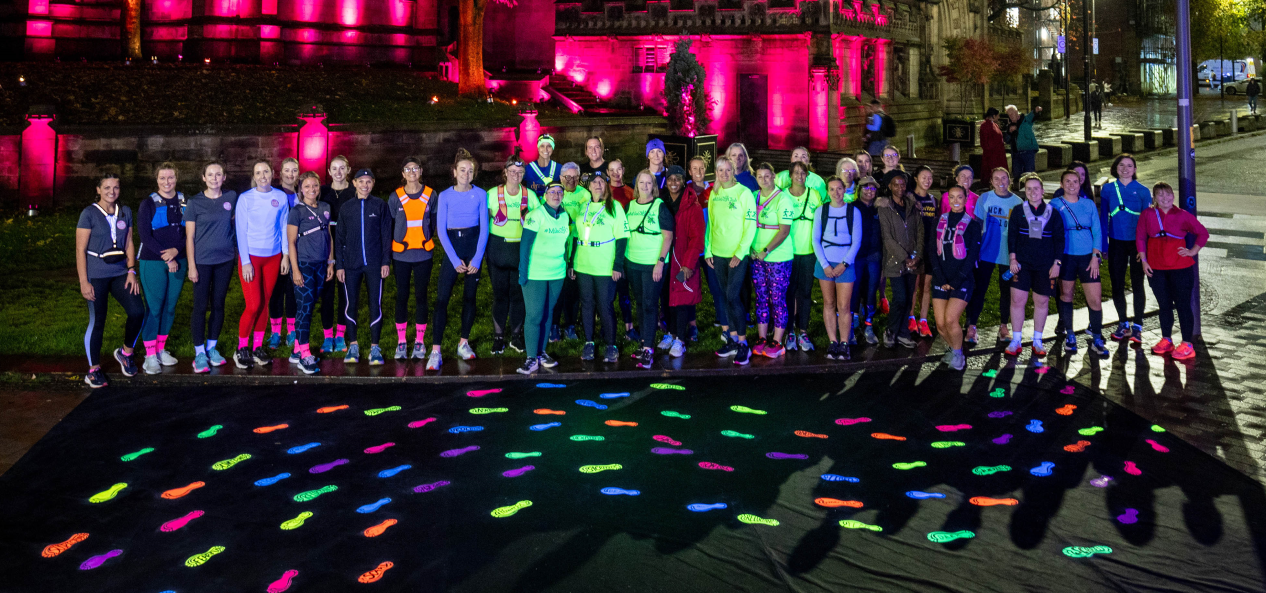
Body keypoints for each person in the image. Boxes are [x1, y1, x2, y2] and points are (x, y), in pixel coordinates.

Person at [78, 172, 145, 387]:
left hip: (119, 273)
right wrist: (83, 281)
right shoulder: (89, 213)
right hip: (96, 274)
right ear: (98, 189)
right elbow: (80, 250)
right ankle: (93, 369)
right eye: (106, 188)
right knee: (98, 320)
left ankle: (126, 353)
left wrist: (131, 271)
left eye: (115, 188)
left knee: (137, 311)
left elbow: (129, 242)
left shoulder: (125, 211)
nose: (111, 192)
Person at [428, 149, 490, 371]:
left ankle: (463, 342)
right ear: (454, 172)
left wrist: (477, 258)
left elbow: (485, 228)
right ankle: (435, 350)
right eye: (462, 170)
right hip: (453, 248)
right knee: (442, 299)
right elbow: (441, 231)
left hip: (473, 247)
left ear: (474, 174)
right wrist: (454, 260)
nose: (466, 174)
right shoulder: (444, 195)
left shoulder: (481, 194)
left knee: (470, 298)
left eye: (470, 170)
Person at [1137, 182, 1209, 361]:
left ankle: (1187, 344)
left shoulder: (1183, 215)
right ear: (1154, 198)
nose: (1165, 198)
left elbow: (1203, 233)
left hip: (1180, 268)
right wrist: (1144, 261)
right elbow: (1140, 237)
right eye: (1160, 195)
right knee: (1164, 305)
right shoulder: (1147, 214)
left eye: (1168, 194)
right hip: (1156, 268)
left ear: (1173, 196)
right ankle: (1166, 339)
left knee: (1183, 305)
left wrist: (1192, 251)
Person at [234, 159, 290, 369]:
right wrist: (246, 260)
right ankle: (241, 347)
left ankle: (257, 346)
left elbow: (284, 227)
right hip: (252, 258)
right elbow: (240, 230)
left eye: (266, 171)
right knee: (253, 304)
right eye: (258, 173)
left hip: (273, 257)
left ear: (272, 173)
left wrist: (285, 255)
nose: (263, 176)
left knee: (264, 303)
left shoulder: (280, 197)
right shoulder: (246, 199)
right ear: (254, 176)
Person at [570, 171, 628, 363]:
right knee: (587, 304)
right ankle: (589, 342)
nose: (597, 185)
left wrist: (617, 265)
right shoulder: (583, 207)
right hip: (583, 264)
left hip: (605, 265)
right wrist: (572, 262)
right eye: (594, 182)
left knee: (605, 304)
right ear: (588, 186)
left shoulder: (615, 207)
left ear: (606, 185)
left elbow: (622, 237)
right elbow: (577, 236)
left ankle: (611, 345)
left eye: (601, 182)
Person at [334, 168, 391, 365]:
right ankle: (353, 345)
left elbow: (386, 236)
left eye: (369, 181)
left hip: (375, 264)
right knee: (351, 304)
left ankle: (375, 347)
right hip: (351, 265)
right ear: (354, 183)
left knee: (376, 303)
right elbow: (339, 237)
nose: (365, 185)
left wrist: (385, 261)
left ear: (373, 184)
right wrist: (339, 265)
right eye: (361, 181)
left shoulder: (380, 205)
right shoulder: (346, 208)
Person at [185, 162, 237, 373]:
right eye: (210, 175)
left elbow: (236, 223)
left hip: (225, 260)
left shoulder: (231, 197)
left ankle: (212, 348)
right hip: (202, 262)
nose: (215, 178)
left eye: (218, 174)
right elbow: (189, 237)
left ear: (224, 177)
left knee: (218, 304)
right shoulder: (194, 202)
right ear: (203, 178)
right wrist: (191, 265)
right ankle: (199, 353)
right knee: (200, 306)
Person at [1051, 169, 1109, 357]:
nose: (1071, 185)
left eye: (1075, 181)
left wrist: (1095, 256)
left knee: (1095, 300)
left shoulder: (1089, 204)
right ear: (1061, 184)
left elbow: (1097, 231)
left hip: (1087, 258)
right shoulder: (1054, 204)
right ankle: (1070, 335)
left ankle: (1097, 337)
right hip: (1066, 257)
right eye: (1067, 181)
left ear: (1080, 184)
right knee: (1066, 295)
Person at [135, 162, 187, 374]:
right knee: (154, 308)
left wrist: (177, 250)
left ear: (176, 178)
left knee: (170, 307)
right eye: (163, 178)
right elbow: (145, 236)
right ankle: (149, 355)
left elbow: (190, 232)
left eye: (171, 178)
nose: (167, 182)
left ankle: (161, 349)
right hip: (153, 260)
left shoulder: (185, 201)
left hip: (179, 260)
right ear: (156, 179)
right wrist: (167, 256)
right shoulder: (148, 204)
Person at [705, 156, 758, 365]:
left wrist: (740, 252)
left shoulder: (744, 193)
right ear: (716, 173)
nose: (724, 174)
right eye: (720, 170)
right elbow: (711, 224)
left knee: (733, 296)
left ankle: (744, 344)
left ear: (734, 171)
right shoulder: (715, 194)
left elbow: (750, 224)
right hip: (717, 254)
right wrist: (708, 250)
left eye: (728, 170)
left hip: (737, 255)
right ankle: (734, 339)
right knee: (725, 296)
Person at [1006, 173, 1064, 358]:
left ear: (1043, 190)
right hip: (1022, 265)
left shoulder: (1053, 213)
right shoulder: (1017, 211)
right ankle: (1016, 340)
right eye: (1028, 189)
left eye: (1036, 188)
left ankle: (1037, 341)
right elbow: (1012, 236)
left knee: (1042, 302)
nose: (1032, 192)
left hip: (1045, 266)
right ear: (1025, 191)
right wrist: (1013, 259)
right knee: (1017, 301)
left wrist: (1057, 263)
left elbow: (1059, 239)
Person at [487, 152, 539, 355]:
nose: (516, 175)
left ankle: (516, 337)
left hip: (520, 249)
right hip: (498, 249)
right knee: (500, 295)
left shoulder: (530, 196)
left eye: (520, 172)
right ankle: (498, 337)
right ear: (505, 173)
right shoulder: (492, 194)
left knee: (518, 295)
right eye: (512, 172)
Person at [517, 181, 572, 374]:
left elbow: (566, 244)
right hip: (536, 273)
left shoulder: (565, 216)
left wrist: (567, 263)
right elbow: (525, 246)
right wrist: (523, 273)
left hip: (557, 273)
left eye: (559, 192)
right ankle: (531, 357)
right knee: (534, 315)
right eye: (552, 192)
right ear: (545, 195)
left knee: (548, 313)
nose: (556, 195)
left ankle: (541, 352)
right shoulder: (535, 216)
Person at [387, 156, 437, 361]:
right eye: (407, 169)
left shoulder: (431, 194)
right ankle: (401, 341)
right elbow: (390, 225)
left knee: (421, 297)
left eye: (415, 168)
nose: (412, 172)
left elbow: (433, 223)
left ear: (421, 171)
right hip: (401, 256)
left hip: (423, 254)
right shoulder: (395, 197)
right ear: (402, 174)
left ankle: (419, 340)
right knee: (402, 296)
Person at [964, 167, 1022, 346]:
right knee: (979, 290)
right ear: (991, 181)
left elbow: (1021, 230)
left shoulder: (1018, 202)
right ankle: (972, 326)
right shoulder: (985, 198)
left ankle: (1004, 326)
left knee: (1006, 291)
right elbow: (978, 225)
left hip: (1008, 255)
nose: (1000, 182)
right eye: (996, 178)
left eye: (1004, 178)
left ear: (1010, 180)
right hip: (987, 252)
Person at [625, 170, 676, 369]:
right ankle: (644, 343)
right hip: (633, 262)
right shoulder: (629, 205)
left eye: (648, 183)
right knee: (640, 302)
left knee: (649, 304)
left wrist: (660, 262)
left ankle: (648, 348)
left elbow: (668, 237)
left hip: (652, 264)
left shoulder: (660, 207)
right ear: (636, 185)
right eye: (641, 182)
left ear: (653, 186)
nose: (645, 186)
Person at [929, 185, 982, 370]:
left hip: (962, 279)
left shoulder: (973, 225)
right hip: (941, 279)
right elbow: (931, 251)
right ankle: (953, 348)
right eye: (951, 197)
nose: (955, 201)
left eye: (959, 197)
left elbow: (972, 256)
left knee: (951, 320)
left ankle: (958, 354)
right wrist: (941, 277)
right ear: (947, 199)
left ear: (966, 198)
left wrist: (956, 280)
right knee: (941, 324)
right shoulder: (938, 221)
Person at [286, 171, 334, 374]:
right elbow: (291, 242)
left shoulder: (325, 207)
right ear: (301, 190)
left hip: (321, 265)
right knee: (304, 308)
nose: (312, 189)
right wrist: (295, 270)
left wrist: (331, 262)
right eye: (307, 186)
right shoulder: (296, 211)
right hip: (304, 265)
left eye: (315, 186)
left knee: (310, 305)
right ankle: (305, 354)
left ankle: (297, 348)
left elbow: (329, 235)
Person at [1099, 154, 1149, 344]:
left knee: (1138, 284)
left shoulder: (1143, 191)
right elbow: (1104, 219)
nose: (1125, 169)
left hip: (1137, 244)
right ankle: (1123, 323)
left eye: (1129, 166)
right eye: (1122, 165)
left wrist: (1144, 248)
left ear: (1135, 169)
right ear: (1115, 167)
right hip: (1116, 242)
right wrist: (1104, 245)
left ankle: (1137, 326)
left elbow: (1147, 222)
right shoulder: (1108, 189)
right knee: (1117, 284)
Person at [747, 163, 794, 358]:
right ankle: (762, 337)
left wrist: (766, 250)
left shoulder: (783, 199)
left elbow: (784, 231)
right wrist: (751, 248)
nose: (764, 179)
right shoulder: (753, 196)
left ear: (774, 177)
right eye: (760, 176)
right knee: (761, 297)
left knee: (777, 298)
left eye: (767, 176)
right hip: (756, 256)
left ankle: (777, 340)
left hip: (778, 257)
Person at [814, 176, 863, 361]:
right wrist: (825, 265)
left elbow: (856, 240)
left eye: (840, 189)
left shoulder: (853, 212)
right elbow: (815, 240)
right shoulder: (821, 211)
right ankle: (832, 341)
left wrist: (845, 263)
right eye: (832, 189)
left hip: (845, 263)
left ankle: (844, 342)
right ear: (827, 192)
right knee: (828, 303)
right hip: (825, 262)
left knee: (844, 305)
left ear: (845, 190)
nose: (836, 193)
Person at [876, 173, 923, 348]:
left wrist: (917, 255)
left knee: (909, 298)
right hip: (895, 261)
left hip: (914, 261)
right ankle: (891, 330)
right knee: (900, 297)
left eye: (903, 184)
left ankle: (903, 332)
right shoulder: (885, 208)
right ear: (889, 186)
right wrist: (905, 257)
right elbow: (887, 238)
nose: (900, 188)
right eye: (896, 184)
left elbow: (919, 232)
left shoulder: (912, 206)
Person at [664, 165, 705, 358]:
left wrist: (688, 264)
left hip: (682, 258)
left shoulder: (692, 205)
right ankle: (671, 333)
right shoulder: (662, 200)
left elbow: (697, 238)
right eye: (670, 179)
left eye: (678, 179)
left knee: (681, 299)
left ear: (683, 180)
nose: (674, 183)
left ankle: (681, 339)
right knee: (668, 298)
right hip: (666, 258)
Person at [782, 161, 824, 352]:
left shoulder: (814, 194)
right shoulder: (783, 195)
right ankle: (790, 330)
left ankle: (803, 331)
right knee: (789, 292)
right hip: (788, 252)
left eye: (803, 173)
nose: (800, 176)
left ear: (807, 175)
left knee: (805, 293)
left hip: (808, 252)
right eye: (796, 173)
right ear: (790, 175)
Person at [319, 155, 356, 354]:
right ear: (329, 171)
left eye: (342, 168)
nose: (338, 172)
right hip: (324, 246)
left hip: (347, 248)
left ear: (348, 169)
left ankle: (341, 335)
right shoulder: (323, 191)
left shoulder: (354, 192)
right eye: (334, 168)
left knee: (344, 293)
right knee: (326, 293)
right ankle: (327, 336)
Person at [550, 162, 590, 342]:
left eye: (575, 177)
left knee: (573, 289)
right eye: (567, 177)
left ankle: (571, 325)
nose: (572, 181)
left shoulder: (585, 195)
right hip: (557, 247)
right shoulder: (555, 193)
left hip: (578, 248)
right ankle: (554, 326)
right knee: (557, 290)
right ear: (561, 178)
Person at [1051, 160, 1091, 337]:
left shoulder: (1087, 197)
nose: (1078, 179)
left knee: (1090, 288)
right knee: (1062, 289)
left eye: (1082, 175)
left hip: (1085, 251)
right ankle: (1064, 321)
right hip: (1064, 250)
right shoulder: (1058, 199)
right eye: (1074, 175)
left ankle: (1093, 324)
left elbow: (1095, 226)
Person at [267, 157, 300, 350]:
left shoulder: (302, 194)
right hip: (277, 250)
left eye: (294, 170)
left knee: (293, 291)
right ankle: (276, 332)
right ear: (280, 173)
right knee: (276, 291)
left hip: (296, 249)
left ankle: (292, 331)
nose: (290, 174)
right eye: (287, 170)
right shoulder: (274, 194)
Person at [850, 177, 884, 346]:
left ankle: (868, 325)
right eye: (866, 187)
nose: (869, 191)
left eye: (873, 188)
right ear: (859, 189)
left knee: (871, 291)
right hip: (855, 256)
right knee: (854, 290)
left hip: (874, 255)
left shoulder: (879, 209)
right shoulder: (852, 207)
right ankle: (852, 323)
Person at [908, 166, 939, 339]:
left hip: (929, 248)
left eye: (930, 178)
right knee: (914, 284)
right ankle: (911, 317)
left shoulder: (934, 200)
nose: (927, 180)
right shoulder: (909, 198)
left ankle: (924, 319)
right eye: (923, 177)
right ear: (915, 178)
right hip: (914, 248)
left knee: (926, 286)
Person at [607, 158, 637, 339]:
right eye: (612, 170)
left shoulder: (632, 193)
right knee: (607, 292)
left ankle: (629, 327)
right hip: (606, 248)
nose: (616, 174)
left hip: (626, 248)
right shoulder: (603, 193)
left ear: (623, 170)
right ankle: (606, 326)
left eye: (619, 170)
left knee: (624, 291)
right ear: (608, 173)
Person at [1005, 104, 1043, 176]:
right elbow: (1007, 140)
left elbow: (1032, 115)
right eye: (1009, 115)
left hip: (1028, 151)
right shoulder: (1009, 126)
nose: (1011, 116)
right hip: (1016, 154)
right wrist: (1009, 132)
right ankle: (1019, 186)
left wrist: (1036, 110)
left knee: (1029, 174)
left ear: (1016, 112)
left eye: (1012, 114)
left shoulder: (1025, 119)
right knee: (1017, 175)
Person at [980, 108, 1008, 178]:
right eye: (997, 115)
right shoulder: (985, 125)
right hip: (992, 155)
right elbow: (985, 142)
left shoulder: (994, 124)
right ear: (993, 116)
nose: (999, 117)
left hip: (998, 153)